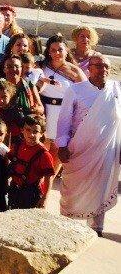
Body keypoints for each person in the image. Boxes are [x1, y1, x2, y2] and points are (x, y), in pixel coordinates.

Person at [56, 55, 120, 236]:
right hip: (79, 148)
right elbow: (64, 119)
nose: (103, 70)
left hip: (107, 149)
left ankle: (96, 227)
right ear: (89, 68)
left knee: (101, 188)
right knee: (73, 187)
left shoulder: (116, 89)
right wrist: (62, 145)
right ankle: (67, 222)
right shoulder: (75, 90)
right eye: (98, 66)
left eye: (106, 66)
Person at [37, 35, 86, 166]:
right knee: (40, 145)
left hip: (63, 113)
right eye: (53, 50)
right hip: (43, 111)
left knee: (58, 147)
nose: (57, 53)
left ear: (66, 51)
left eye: (60, 49)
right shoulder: (41, 66)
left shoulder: (75, 71)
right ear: (48, 52)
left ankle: (51, 175)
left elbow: (85, 94)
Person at [7, 115, 55, 209]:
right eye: (28, 130)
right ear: (22, 130)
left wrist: (45, 198)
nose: (31, 135)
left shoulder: (44, 154)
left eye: (35, 131)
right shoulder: (17, 146)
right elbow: (9, 161)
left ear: (42, 134)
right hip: (14, 189)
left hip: (31, 193)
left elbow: (48, 177)